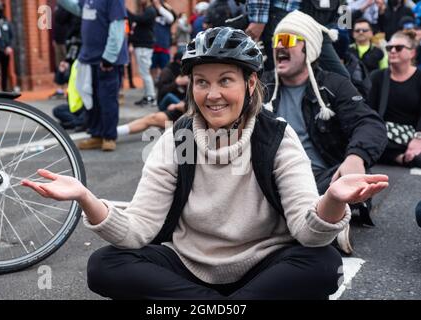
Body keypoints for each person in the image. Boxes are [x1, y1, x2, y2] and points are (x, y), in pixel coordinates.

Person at [21, 27, 389, 300]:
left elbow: (307, 232)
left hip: (265, 265)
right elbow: (139, 231)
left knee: (323, 265)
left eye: (225, 80)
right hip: (191, 268)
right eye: (201, 82)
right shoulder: (179, 138)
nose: (212, 95)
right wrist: (87, 198)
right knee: (104, 266)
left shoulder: (274, 136)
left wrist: (333, 201)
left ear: (249, 84)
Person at [265, 11, 388, 252]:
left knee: (346, 180)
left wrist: (356, 158)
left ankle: (326, 213)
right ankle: (326, 219)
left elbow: (370, 123)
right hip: (272, 173)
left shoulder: (334, 84)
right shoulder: (261, 86)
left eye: (288, 40)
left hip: (320, 176)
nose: (280, 46)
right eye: (276, 40)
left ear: (308, 48)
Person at [58, 0, 128, 152]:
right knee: (92, 99)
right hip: (89, 58)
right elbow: (78, 8)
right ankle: (96, 134)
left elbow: (117, 27)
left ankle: (109, 137)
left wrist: (109, 58)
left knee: (107, 99)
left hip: (106, 60)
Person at [369, 30, 421, 168]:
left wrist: (418, 139)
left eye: (398, 48)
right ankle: (398, 157)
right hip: (383, 134)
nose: (392, 51)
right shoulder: (377, 77)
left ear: (412, 53)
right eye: (389, 47)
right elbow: (369, 111)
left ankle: (394, 156)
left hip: (413, 134)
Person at [128, 0, 157, 106]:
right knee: (144, 72)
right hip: (142, 45)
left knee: (145, 73)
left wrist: (126, 11)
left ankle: (151, 97)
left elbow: (138, 19)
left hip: (144, 45)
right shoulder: (147, 10)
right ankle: (147, 96)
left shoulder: (150, 11)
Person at [0, 2, 14, 92]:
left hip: (6, 50)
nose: (0, 9)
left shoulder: (7, 21)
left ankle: (4, 88)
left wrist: (9, 47)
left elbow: (12, 36)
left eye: (1, 7)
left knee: (5, 70)